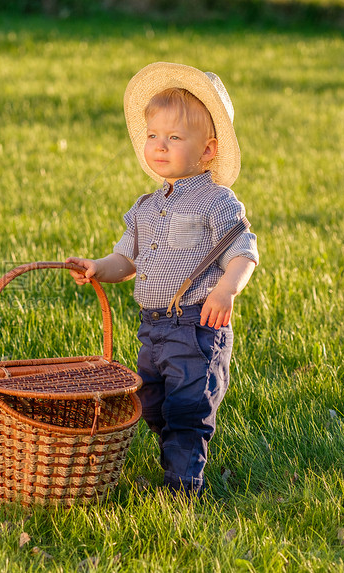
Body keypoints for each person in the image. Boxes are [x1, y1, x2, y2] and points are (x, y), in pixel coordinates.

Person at [66, 62, 259, 497]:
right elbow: (125, 259)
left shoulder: (216, 201)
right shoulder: (146, 207)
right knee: (150, 402)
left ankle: (182, 486)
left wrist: (227, 289)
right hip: (152, 328)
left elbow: (244, 251)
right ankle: (173, 446)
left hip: (195, 327)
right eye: (153, 135)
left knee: (187, 407)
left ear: (207, 150)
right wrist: (99, 267)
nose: (159, 145)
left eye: (174, 138)